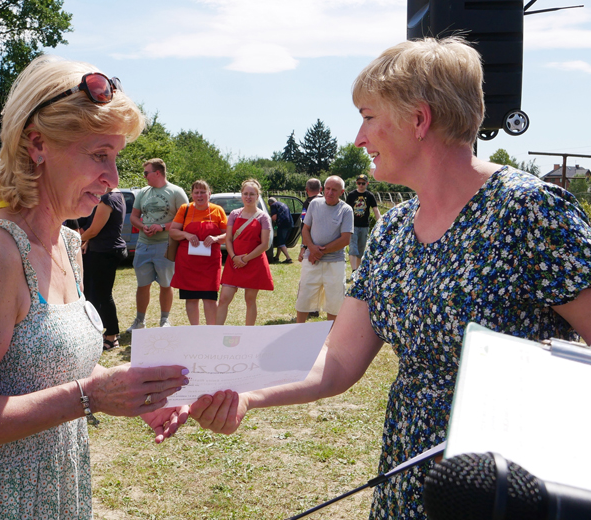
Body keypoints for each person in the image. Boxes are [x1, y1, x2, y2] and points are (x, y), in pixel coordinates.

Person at [189, 37, 591, 520]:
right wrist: (247, 395)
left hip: (509, 495)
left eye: (368, 116)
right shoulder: (393, 228)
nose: (358, 138)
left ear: (419, 120)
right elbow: (338, 359)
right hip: (407, 481)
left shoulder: (531, 211)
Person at [0, 56, 189, 519]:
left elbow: (47, 372)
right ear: (36, 144)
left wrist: (129, 393)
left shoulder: (67, 243)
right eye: (99, 155)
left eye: (116, 157)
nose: (113, 178)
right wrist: (92, 397)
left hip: (49, 495)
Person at [126, 158, 188, 331]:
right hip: (143, 245)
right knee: (142, 285)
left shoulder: (176, 192)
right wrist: (143, 227)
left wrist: (162, 226)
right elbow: (134, 217)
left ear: (158, 173)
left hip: (166, 246)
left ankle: (164, 320)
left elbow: (185, 219)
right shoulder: (143, 192)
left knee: (166, 284)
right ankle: (140, 321)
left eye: (146, 173)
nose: (144, 176)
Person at [169, 180, 227, 325]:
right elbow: (173, 232)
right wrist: (186, 234)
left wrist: (216, 238)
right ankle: (195, 330)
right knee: (191, 298)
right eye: (196, 192)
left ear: (209, 194)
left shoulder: (218, 210)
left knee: (210, 298)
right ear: (192, 194)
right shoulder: (185, 209)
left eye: (203, 192)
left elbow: (228, 235)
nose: (199, 195)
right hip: (188, 263)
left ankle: (211, 331)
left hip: (210, 263)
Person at [295, 176, 352, 324]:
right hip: (311, 261)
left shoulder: (346, 210)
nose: (330, 192)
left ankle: (330, 334)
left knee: (334, 302)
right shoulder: (314, 204)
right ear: (323, 189)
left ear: (342, 192)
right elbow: (305, 229)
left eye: (334, 190)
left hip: (335, 263)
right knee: (304, 297)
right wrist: (311, 248)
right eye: (327, 188)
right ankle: (299, 330)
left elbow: (345, 239)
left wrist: (319, 252)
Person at [217, 179, 274, 326]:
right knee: (223, 299)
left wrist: (245, 259)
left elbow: (265, 244)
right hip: (234, 261)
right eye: (246, 193)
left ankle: (249, 332)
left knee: (250, 300)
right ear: (241, 195)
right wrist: (234, 257)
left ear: (257, 196)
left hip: (254, 262)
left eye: (252, 194)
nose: (248, 197)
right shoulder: (234, 214)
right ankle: (216, 333)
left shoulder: (263, 217)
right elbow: (228, 239)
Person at [79, 187, 128, 349]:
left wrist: (74, 239)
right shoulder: (118, 195)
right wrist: (87, 241)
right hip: (106, 250)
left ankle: (112, 336)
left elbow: (94, 230)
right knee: (101, 295)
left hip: (105, 252)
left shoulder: (108, 199)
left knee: (104, 296)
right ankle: (108, 332)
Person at [345, 174, 381, 276]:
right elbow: (346, 210)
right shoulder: (351, 195)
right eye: (359, 183)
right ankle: (354, 271)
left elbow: (375, 210)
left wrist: (381, 223)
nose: (361, 185)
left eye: (363, 183)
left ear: (367, 184)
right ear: (356, 183)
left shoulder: (370, 196)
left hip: (364, 226)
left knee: (361, 250)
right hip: (352, 226)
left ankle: (358, 272)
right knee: (353, 248)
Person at [297, 177, 323, 264]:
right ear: (321, 189)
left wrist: (303, 248)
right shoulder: (327, 201)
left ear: (306, 190)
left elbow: (305, 226)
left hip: (311, 242)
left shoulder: (308, 203)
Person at [268, 197, 293, 263]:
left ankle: (288, 258)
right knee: (281, 241)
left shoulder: (273, 205)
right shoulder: (282, 204)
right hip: (290, 224)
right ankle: (277, 257)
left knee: (280, 242)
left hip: (282, 224)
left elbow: (274, 218)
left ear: (270, 203)